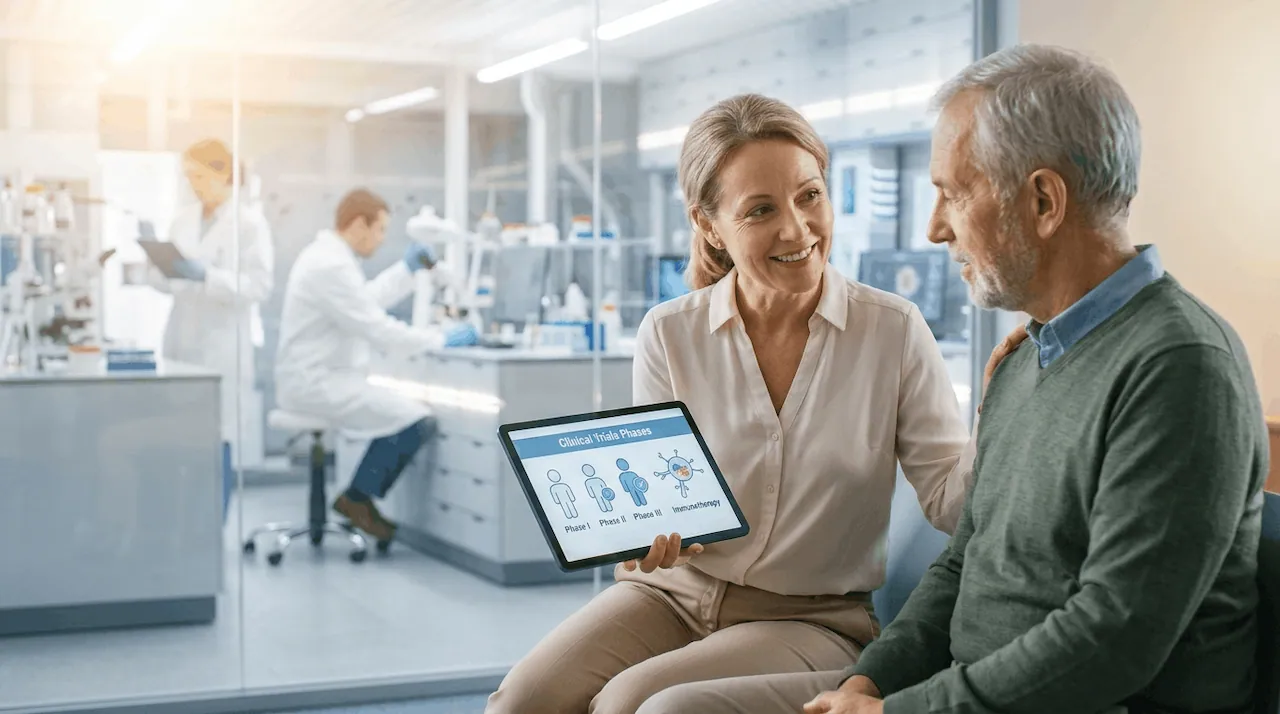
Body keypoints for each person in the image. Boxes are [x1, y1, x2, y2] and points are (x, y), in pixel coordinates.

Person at [639, 44, 1269, 714]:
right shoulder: (1029, 358)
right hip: (966, 689)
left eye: (952, 194)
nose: (936, 228)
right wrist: (868, 683)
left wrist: (897, 710)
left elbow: (1113, 635)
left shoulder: (1180, 366)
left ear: (1044, 201)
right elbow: (963, 565)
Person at [485, 94, 1022, 714]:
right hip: (670, 595)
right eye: (760, 209)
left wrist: (997, 415)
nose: (796, 229)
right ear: (709, 224)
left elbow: (952, 506)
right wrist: (645, 535)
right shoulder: (669, 332)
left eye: (809, 196)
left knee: (629, 704)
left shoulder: (893, 331)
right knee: (521, 700)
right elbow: (660, 504)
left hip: (811, 618)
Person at [274, 188, 478, 542]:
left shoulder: (328, 258)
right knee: (416, 419)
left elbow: (362, 302)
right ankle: (357, 499)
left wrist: (406, 271)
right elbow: (375, 327)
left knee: (404, 412)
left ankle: (357, 498)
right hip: (316, 384)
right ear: (358, 225)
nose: (382, 239)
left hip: (320, 378)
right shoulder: (331, 265)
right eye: (380, 230)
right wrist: (440, 339)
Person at [146, 138, 274, 518]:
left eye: (200, 176)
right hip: (181, 339)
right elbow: (163, 283)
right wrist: (162, 267)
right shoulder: (183, 220)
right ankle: (181, 525)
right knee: (179, 438)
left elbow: (259, 287)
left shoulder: (250, 224)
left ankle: (213, 532)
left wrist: (209, 277)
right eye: (189, 177)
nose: (193, 184)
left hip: (224, 347)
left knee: (218, 438)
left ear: (223, 174)